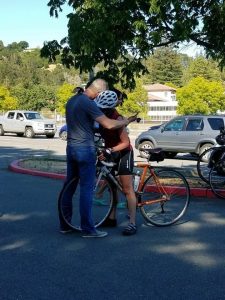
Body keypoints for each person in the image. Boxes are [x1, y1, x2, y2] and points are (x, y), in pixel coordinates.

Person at [60, 78, 137, 238]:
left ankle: (65, 224)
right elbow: (108, 125)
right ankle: (88, 229)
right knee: (87, 189)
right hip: (84, 150)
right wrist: (126, 121)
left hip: (71, 148)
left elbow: (120, 139)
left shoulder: (72, 100)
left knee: (69, 186)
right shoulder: (88, 103)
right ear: (100, 93)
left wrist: (119, 125)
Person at [94, 90, 138, 236]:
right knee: (112, 187)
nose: (101, 110)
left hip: (124, 152)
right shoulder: (101, 116)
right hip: (111, 151)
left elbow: (125, 143)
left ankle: (132, 223)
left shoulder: (116, 118)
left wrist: (110, 150)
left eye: (103, 108)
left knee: (127, 189)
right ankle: (111, 218)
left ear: (110, 107)